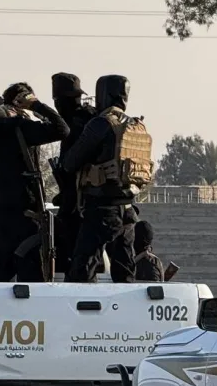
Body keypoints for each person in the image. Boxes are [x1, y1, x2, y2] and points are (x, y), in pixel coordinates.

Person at [0, 83, 68, 282]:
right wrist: (37, 105)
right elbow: (62, 129)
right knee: (33, 283)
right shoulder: (18, 128)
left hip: (1, 213)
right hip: (26, 215)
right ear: (22, 101)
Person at [61, 75, 151, 283]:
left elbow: (70, 162)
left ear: (103, 95)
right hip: (127, 210)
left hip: (102, 210)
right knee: (125, 274)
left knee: (81, 272)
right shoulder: (134, 125)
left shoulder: (101, 124)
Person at [49, 73, 95, 274]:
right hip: (85, 200)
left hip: (80, 204)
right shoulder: (90, 119)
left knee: (75, 261)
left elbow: (70, 166)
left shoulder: (75, 124)